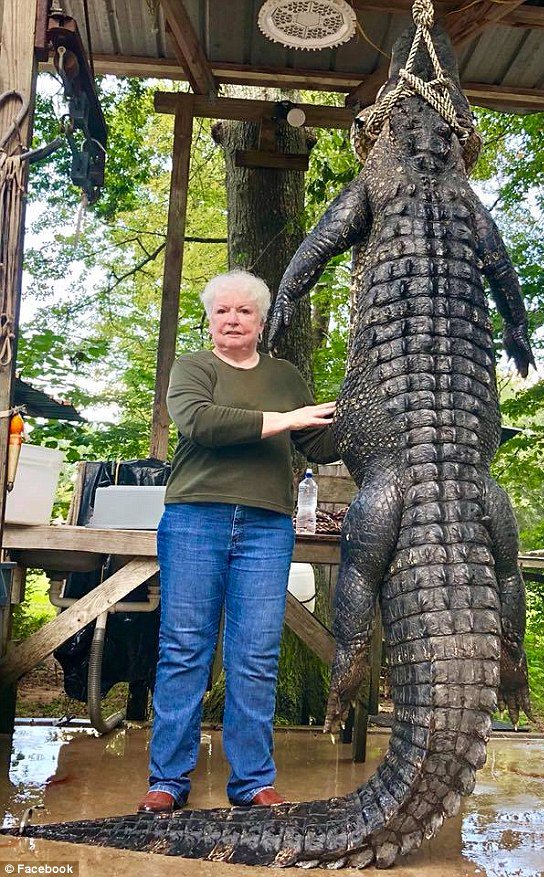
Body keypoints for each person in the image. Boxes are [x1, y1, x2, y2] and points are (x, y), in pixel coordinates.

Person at [137, 269, 339, 814]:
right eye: (223, 311)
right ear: (210, 319)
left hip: (267, 525)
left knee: (255, 654)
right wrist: (286, 419)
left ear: (260, 320)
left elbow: (314, 441)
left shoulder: (286, 377)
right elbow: (203, 424)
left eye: (244, 311)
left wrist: (355, 411)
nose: (232, 319)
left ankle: (253, 782)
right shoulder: (193, 368)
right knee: (184, 650)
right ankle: (167, 783)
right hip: (195, 519)